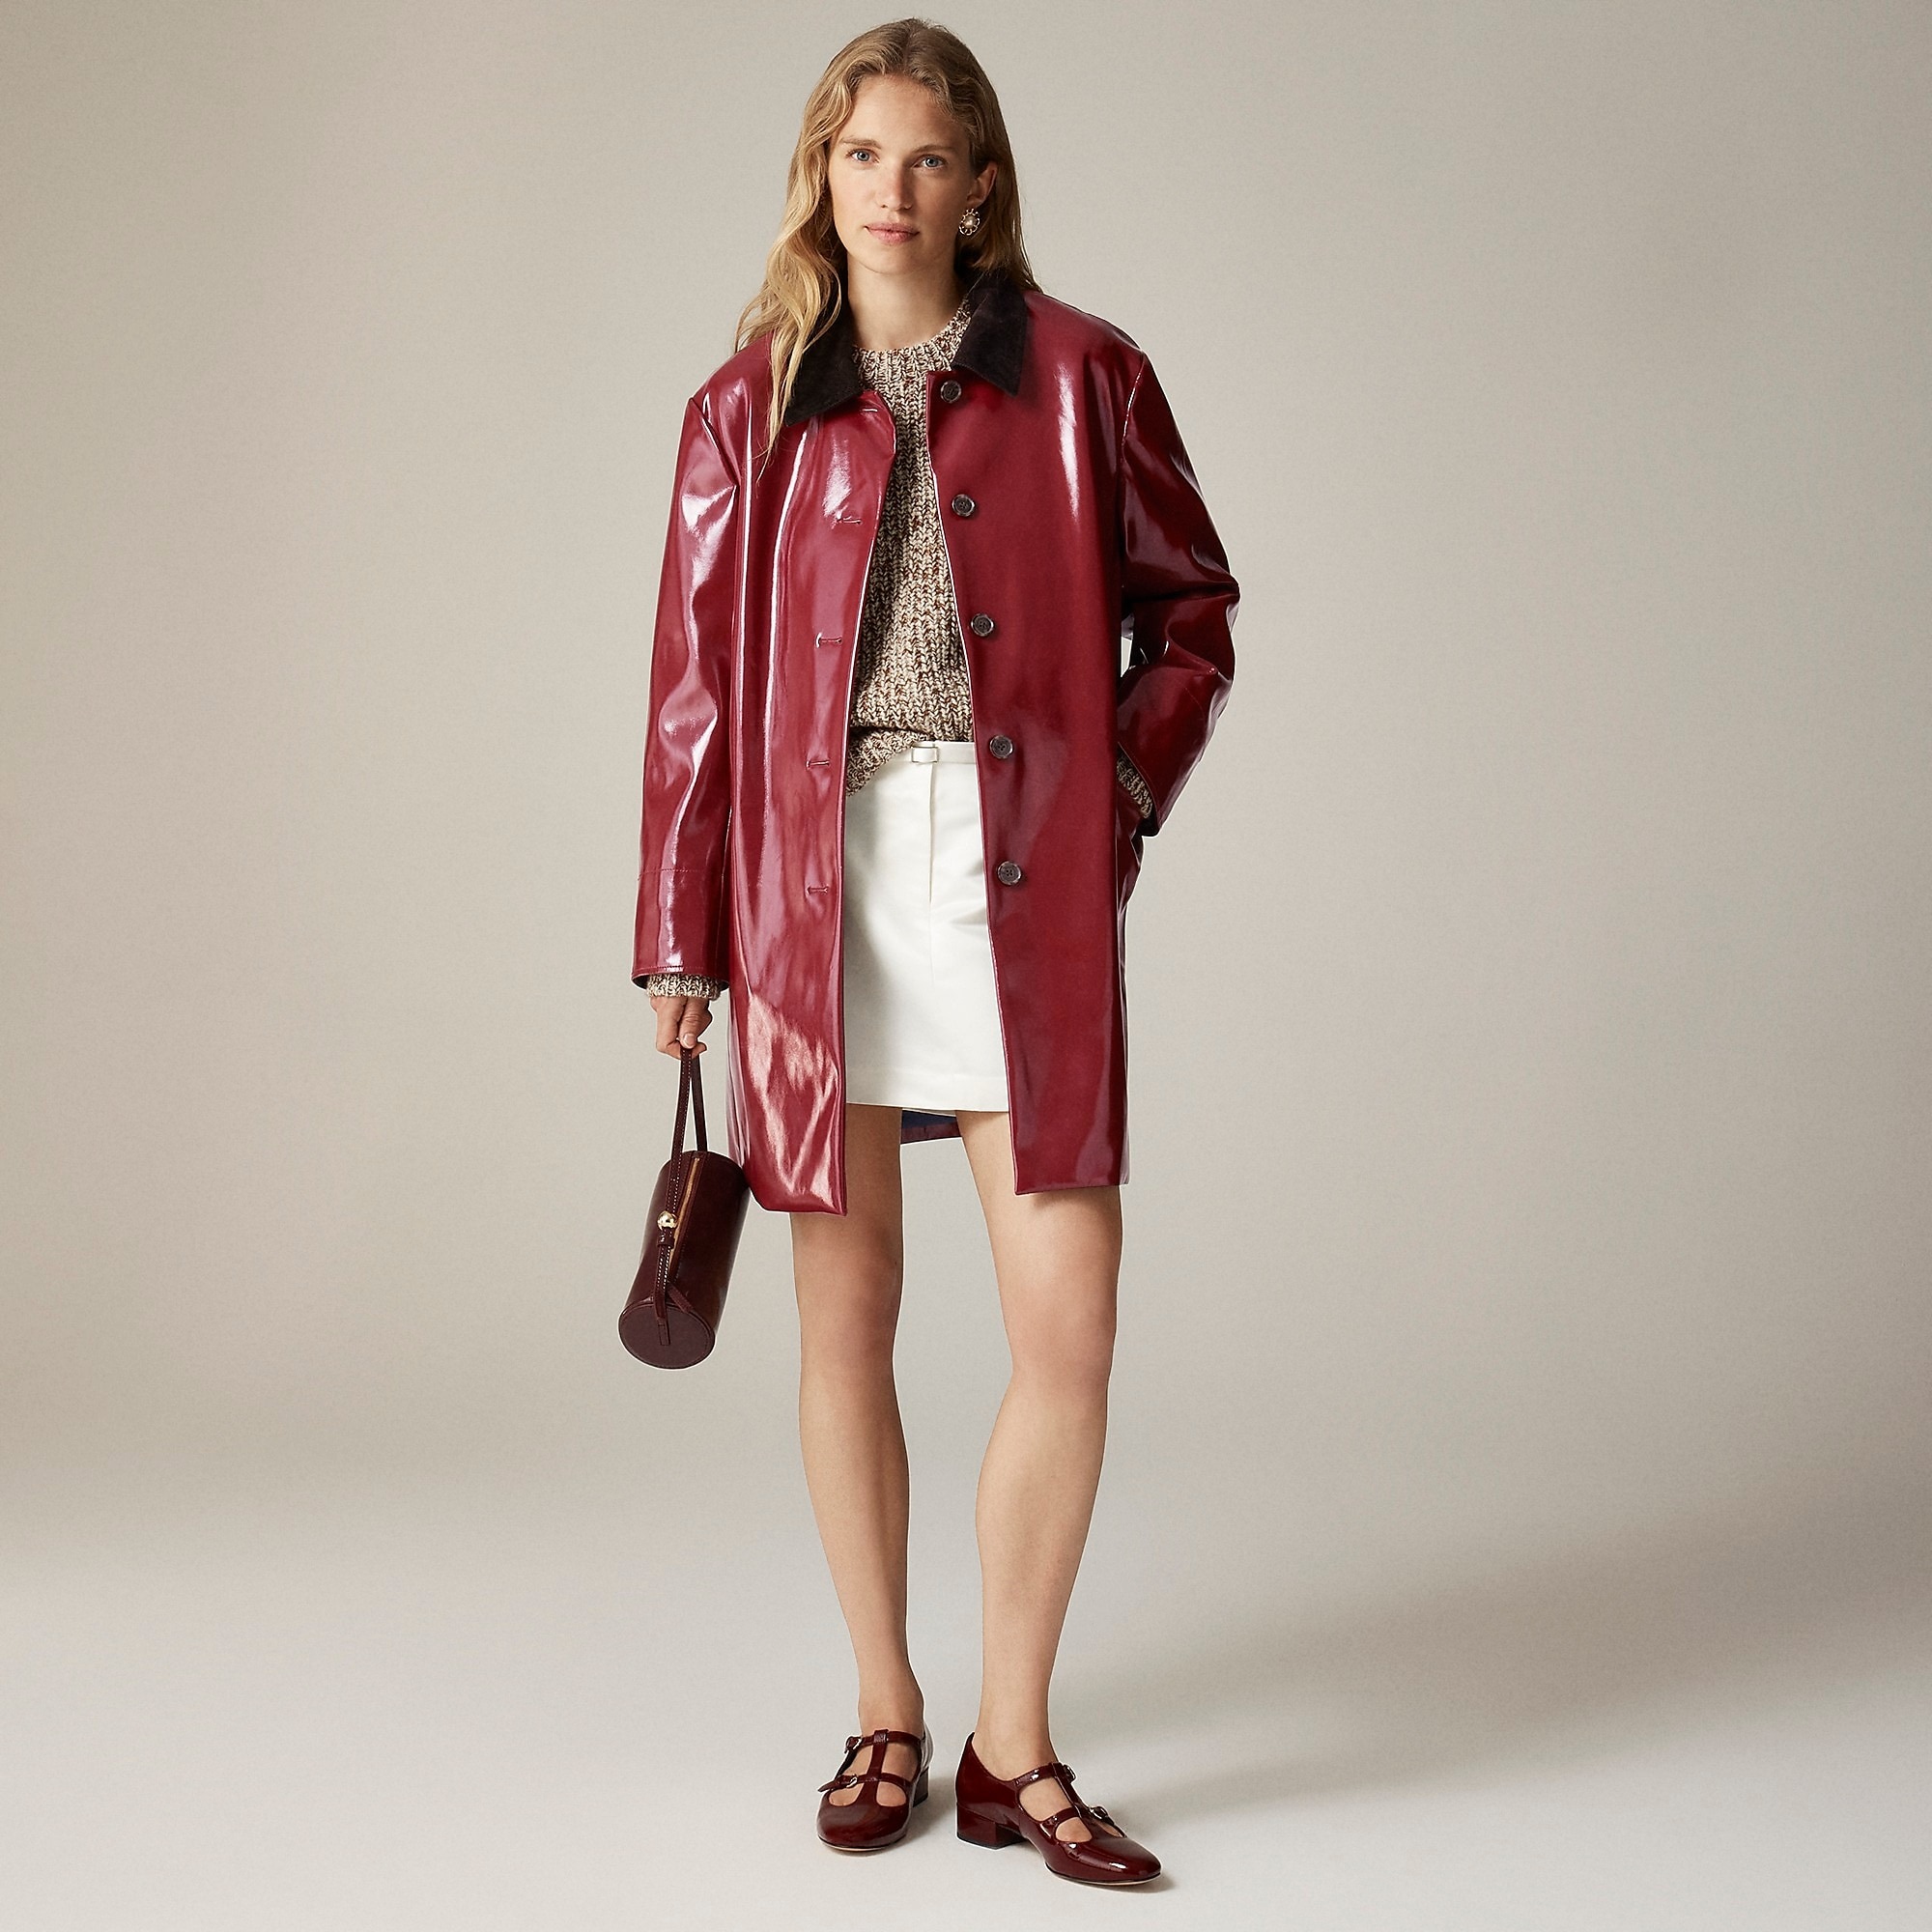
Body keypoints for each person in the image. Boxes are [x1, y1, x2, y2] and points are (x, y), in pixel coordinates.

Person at [633, 17, 1237, 1889]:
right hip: (815, 892)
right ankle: (886, 1704)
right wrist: (683, 935)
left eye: (924, 158)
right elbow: (694, 694)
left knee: (1070, 1326)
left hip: (1016, 878)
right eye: (857, 154)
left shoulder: (1086, 376)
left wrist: (1118, 796)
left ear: (981, 185)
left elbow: (1192, 617)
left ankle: (1013, 1741)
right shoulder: (741, 410)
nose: (888, 191)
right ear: (819, 176)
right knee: (848, 1316)